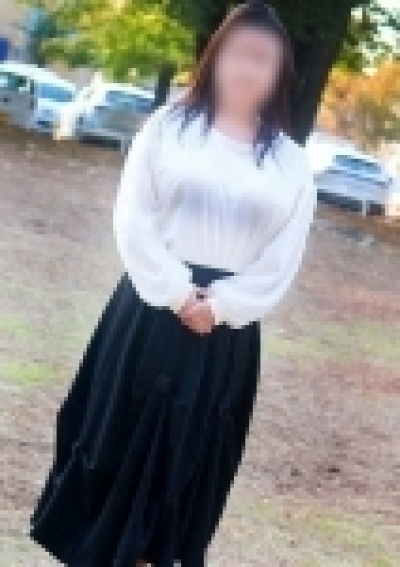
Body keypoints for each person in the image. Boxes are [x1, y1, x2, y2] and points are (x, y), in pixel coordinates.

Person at [29, 2, 317, 566]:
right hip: (148, 313)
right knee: (116, 450)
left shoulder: (290, 163)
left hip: (224, 336)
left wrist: (223, 304)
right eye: (238, 52)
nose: (248, 67)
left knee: (185, 468)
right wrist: (177, 292)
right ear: (216, 56)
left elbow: (282, 258)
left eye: (263, 58)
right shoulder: (169, 127)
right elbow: (133, 218)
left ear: (281, 71)